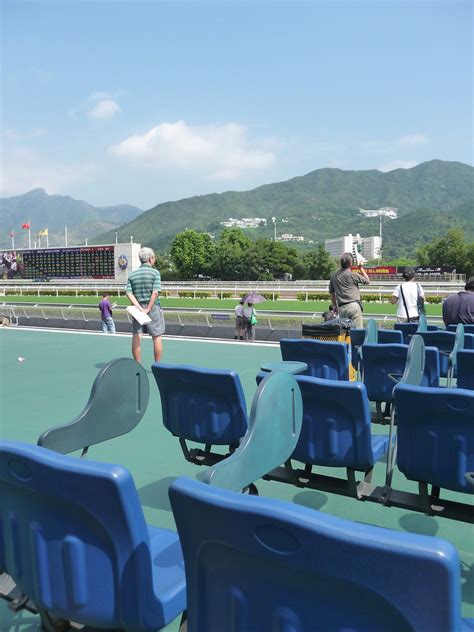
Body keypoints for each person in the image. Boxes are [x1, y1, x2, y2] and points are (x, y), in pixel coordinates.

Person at [126, 246, 165, 363]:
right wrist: (148, 308)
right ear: (151, 258)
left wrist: (138, 307)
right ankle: (158, 366)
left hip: (137, 310)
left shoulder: (132, 275)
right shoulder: (155, 273)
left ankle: (137, 365)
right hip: (153, 308)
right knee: (157, 337)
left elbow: (128, 293)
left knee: (137, 337)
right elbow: (155, 292)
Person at [329, 252, 370, 329]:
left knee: (345, 333)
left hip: (341, 308)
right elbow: (367, 281)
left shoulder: (334, 276)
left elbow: (331, 293)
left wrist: (335, 306)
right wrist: (361, 268)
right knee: (357, 332)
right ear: (351, 263)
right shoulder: (353, 275)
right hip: (354, 307)